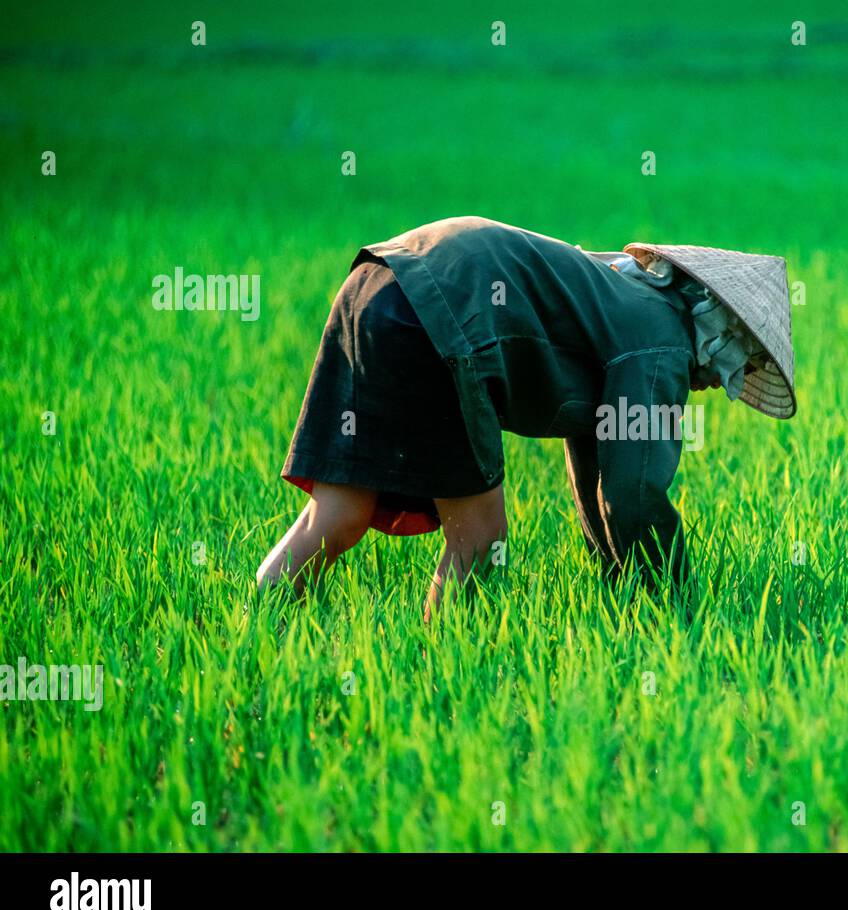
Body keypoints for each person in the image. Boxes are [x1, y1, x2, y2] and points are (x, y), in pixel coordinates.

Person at [255, 216, 796, 618]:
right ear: (721, 331)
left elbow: (599, 471)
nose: (726, 384)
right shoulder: (660, 343)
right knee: (479, 541)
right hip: (443, 310)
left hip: (379, 285)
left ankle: (257, 623)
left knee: (337, 515)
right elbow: (631, 494)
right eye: (744, 365)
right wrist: (675, 603)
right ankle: (439, 671)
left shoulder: (621, 301)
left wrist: (621, 584)